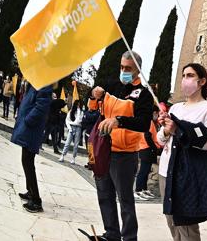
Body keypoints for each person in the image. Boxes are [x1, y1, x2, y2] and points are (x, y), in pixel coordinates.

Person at [157, 63, 207, 240]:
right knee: (171, 220)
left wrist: (179, 130)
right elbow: (160, 139)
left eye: (189, 75)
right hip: (166, 170)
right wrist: (166, 130)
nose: (185, 80)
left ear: (201, 81)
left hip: (187, 173)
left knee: (186, 224)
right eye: (183, 75)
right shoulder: (175, 108)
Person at [89, 51, 153, 241]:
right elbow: (93, 107)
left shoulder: (143, 94)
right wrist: (94, 95)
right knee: (104, 195)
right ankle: (111, 234)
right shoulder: (111, 85)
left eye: (128, 68)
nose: (123, 71)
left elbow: (143, 123)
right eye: (121, 67)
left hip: (125, 155)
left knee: (125, 200)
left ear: (137, 70)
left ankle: (129, 238)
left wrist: (119, 121)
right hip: (104, 149)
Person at [11, 84, 53, 213]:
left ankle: (36, 200)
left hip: (32, 129)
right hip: (29, 128)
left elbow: (42, 106)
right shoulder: (36, 81)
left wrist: (28, 120)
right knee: (26, 161)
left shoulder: (45, 83)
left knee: (28, 162)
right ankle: (30, 191)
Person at [134, 107, 162, 201]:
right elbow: (147, 136)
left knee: (146, 171)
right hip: (146, 148)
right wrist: (154, 148)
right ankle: (138, 190)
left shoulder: (149, 121)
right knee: (143, 171)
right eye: (157, 113)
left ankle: (144, 189)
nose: (157, 116)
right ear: (154, 112)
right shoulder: (148, 121)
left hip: (147, 148)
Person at [59, 100, 84, 164]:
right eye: (77, 104)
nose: (78, 106)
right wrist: (70, 128)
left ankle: (73, 158)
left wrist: (79, 111)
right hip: (71, 127)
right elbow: (67, 121)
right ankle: (63, 155)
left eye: (79, 104)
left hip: (78, 127)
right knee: (67, 143)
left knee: (76, 144)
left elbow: (79, 121)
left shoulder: (81, 112)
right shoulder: (71, 112)